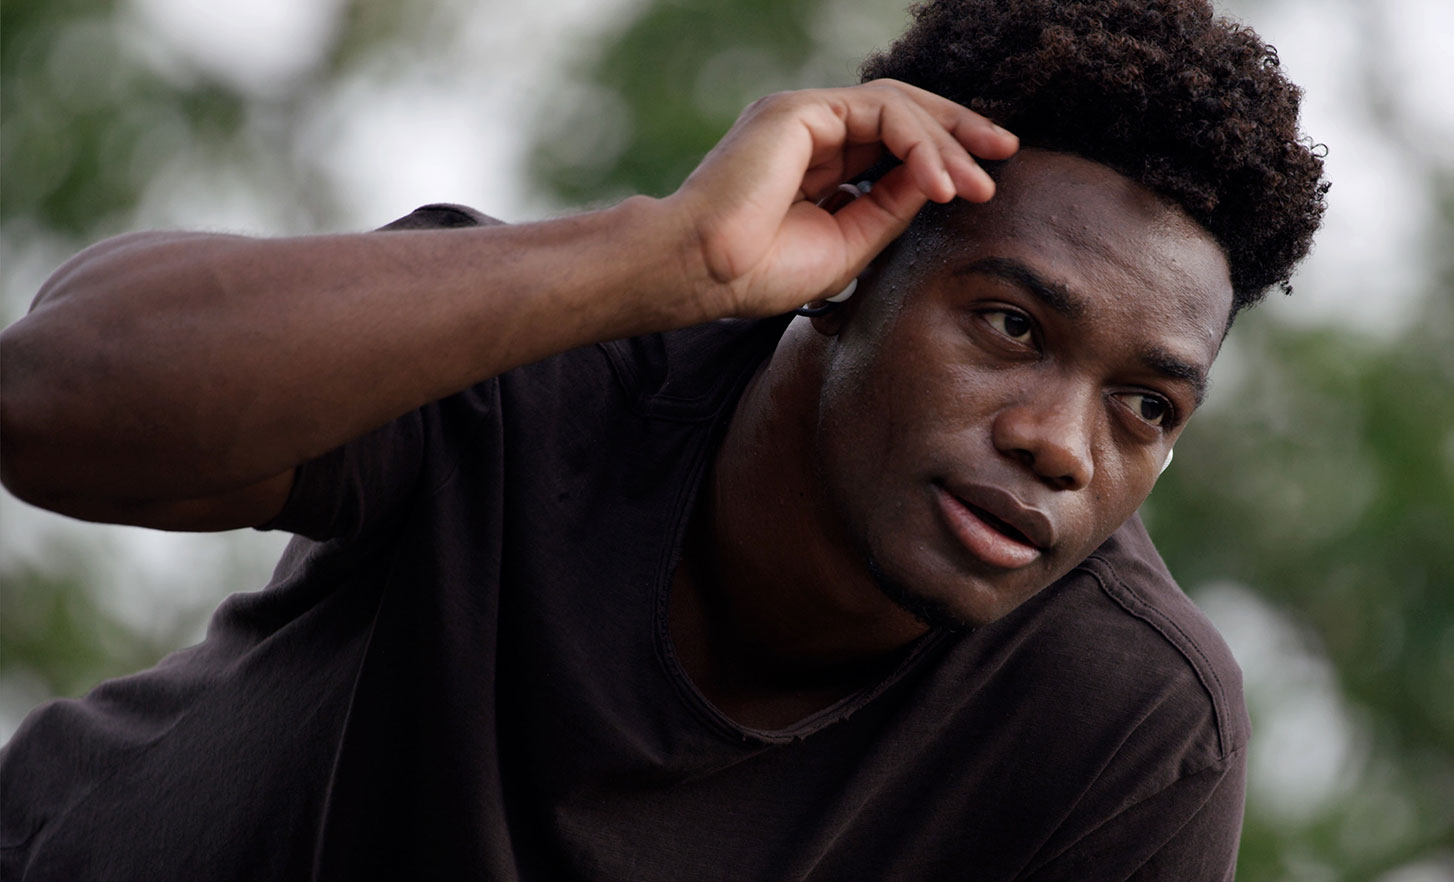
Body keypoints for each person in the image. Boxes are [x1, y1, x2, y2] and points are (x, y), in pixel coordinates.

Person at [0, 0, 1327, 878]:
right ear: (854, 261)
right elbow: (46, 397)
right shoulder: (542, 350)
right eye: (1009, 325)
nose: (1062, 447)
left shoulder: (1122, 723)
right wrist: (669, 259)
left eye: (1145, 406)